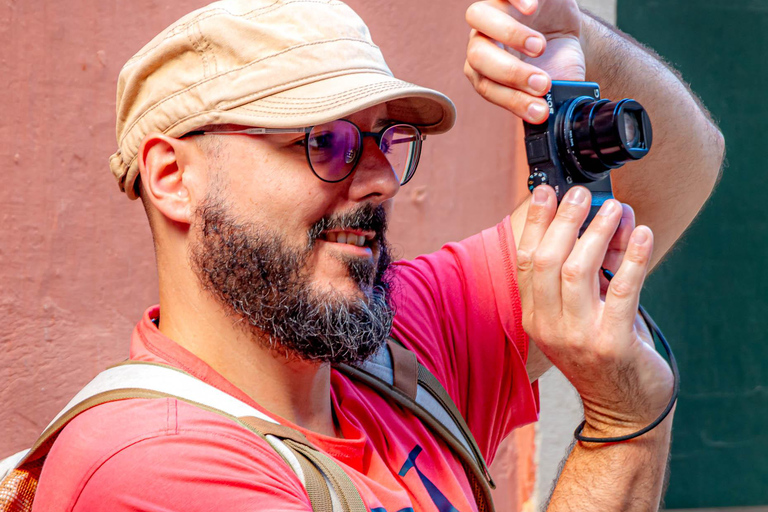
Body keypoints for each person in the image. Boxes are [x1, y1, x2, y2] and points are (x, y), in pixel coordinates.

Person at [31, 0, 724, 510]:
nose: (383, 179)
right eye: (325, 141)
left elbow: (684, 170)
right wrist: (623, 427)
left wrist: (573, 47)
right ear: (173, 178)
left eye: (384, 140)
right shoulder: (155, 467)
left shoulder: (395, 354)